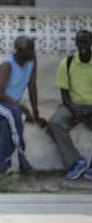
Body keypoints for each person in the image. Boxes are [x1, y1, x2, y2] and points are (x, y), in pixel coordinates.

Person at [0, 35, 46, 175]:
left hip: (8, 105)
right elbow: (0, 93)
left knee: (6, 125)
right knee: (13, 113)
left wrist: (36, 114)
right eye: (28, 50)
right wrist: (23, 108)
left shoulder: (31, 61)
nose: (32, 53)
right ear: (19, 50)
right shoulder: (8, 65)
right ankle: (22, 157)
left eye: (33, 50)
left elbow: (32, 86)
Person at [46, 29, 92, 180]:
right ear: (76, 44)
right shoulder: (67, 63)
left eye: (86, 42)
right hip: (72, 105)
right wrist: (76, 112)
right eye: (81, 42)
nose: (83, 45)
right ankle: (76, 162)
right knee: (54, 123)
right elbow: (64, 94)